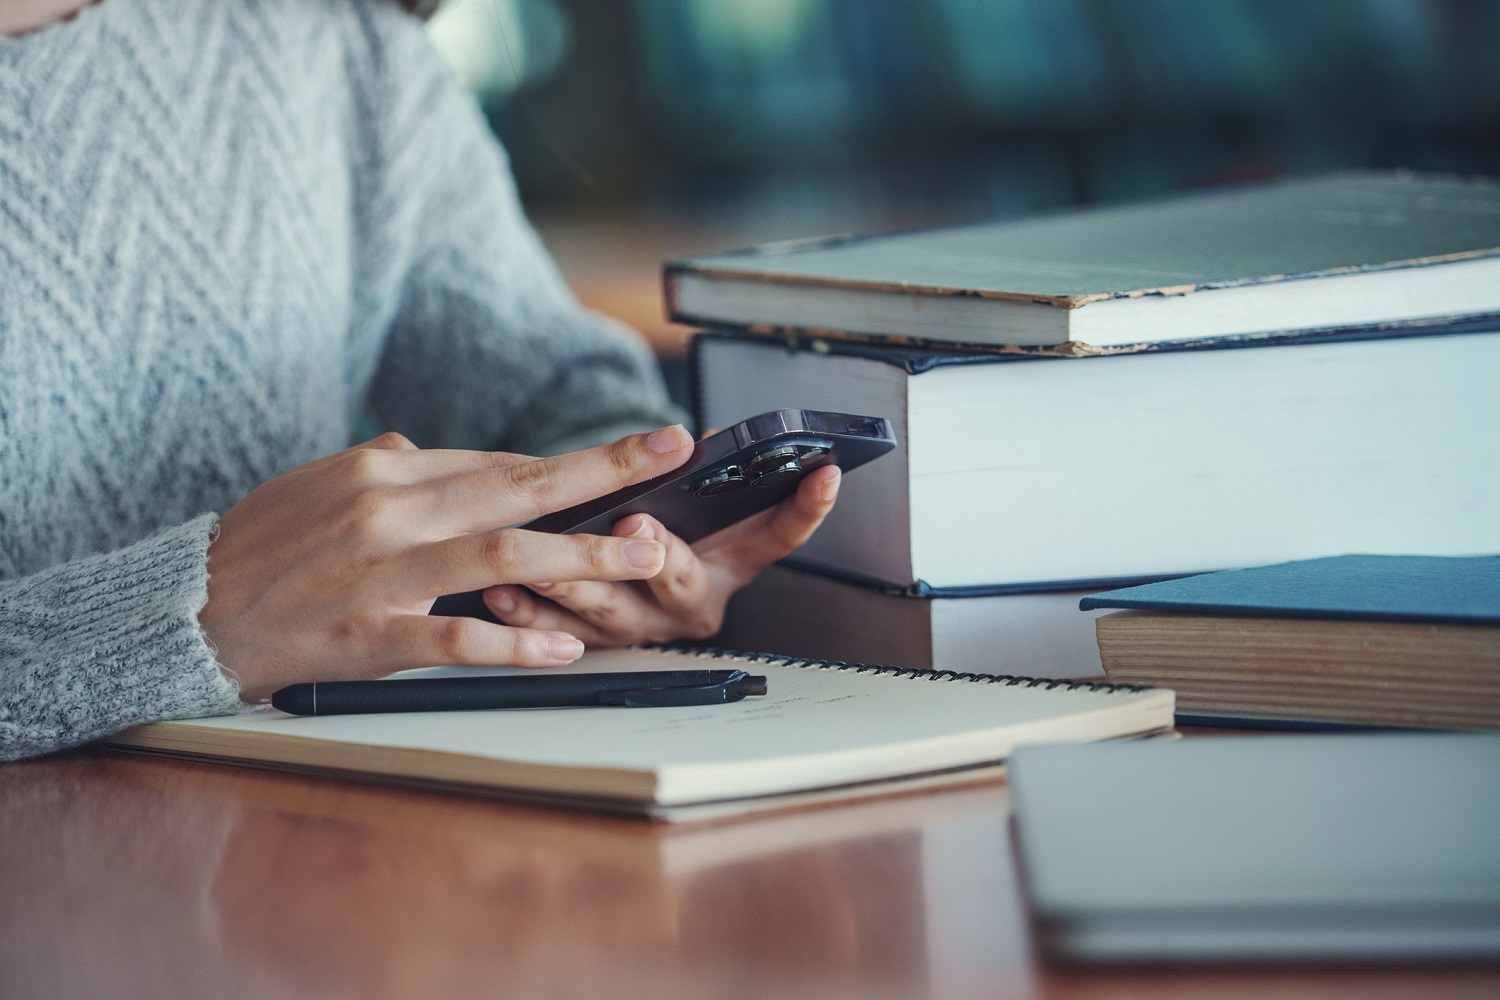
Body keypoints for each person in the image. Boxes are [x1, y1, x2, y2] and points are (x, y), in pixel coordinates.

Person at [0, 0, 840, 760]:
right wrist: (185, 617)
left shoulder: (344, 42)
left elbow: (552, 397)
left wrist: (622, 551)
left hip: (322, 845)